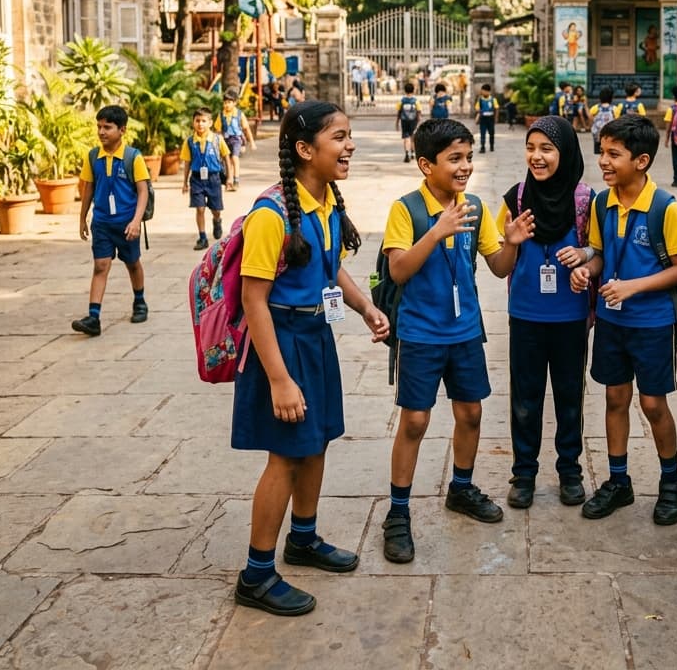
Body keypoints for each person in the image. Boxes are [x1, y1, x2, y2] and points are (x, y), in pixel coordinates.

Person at [232, 101, 390, 616]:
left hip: (316, 336)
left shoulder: (324, 204)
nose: (350, 146)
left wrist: (365, 307)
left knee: (316, 441)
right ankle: (256, 575)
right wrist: (279, 379)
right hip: (281, 343)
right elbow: (253, 300)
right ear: (304, 149)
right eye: (339, 137)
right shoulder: (270, 214)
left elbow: (328, 269)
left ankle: (303, 538)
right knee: (285, 455)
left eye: (348, 136)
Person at [379, 119, 534, 564]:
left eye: (468, 157)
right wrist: (436, 231)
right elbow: (398, 270)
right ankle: (398, 512)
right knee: (415, 421)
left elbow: (498, 267)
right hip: (420, 333)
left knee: (471, 413)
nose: (465, 166)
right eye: (454, 159)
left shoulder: (475, 208)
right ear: (426, 165)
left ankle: (461, 488)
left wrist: (513, 243)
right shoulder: (406, 209)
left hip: (464, 330)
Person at [570, 114, 677, 526]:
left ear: (641, 161)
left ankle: (671, 480)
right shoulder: (602, 203)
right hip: (612, 320)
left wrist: (632, 287)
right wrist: (586, 269)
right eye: (602, 152)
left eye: (613, 154)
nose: (603, 161)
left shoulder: (664, 208)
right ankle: (618, 480)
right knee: (615, 398)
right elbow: (599, 254)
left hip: (653, 322)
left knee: (653, 403)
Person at [499, 116, 594, 509]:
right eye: (531, 148)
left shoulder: (585, 201)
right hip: (525, 314)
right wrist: (510, 240)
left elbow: (599, 252)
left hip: (570, 316)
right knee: (525, 399)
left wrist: (585, 259)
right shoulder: (515, 199)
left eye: (547, 149)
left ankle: (570, 471)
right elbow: (501, 265)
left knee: (570, 396)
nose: (536, 156)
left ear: (566, 152)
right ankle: (523, 474)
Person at [71, 105, 150, 337]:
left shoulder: (132, 157)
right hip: (102, 223)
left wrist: (136, 221)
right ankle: (93, 317)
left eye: (107, 127)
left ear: (122, 130)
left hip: (126, 223)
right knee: (100, 266)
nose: (101, 132)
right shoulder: (93, 156)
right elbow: (88, 188)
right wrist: (82, 218)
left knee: (132, 263)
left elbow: (143, 191)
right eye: (99, 127)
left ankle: (140, 301)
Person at [181, 107, 232, 251]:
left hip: (213, 178)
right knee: (200, 208)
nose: (200, 124)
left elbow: (226, 157)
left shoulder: (217, 139)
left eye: (204, 121)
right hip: (197, 179)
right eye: (197, 121)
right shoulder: (190, 142)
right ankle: (202, 237)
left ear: (210, 123)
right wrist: (184, 182)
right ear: (193, 122)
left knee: (216, 209)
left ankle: (217, 220)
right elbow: (187, 162)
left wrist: (229, 177)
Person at [216, 88, 256, 190]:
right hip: (225, 140)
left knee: (234, 158)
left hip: (236, 140)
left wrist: (252, 142)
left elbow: (246, 129)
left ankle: (236, 180)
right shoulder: (221, 115)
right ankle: (229, 181)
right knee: (227, 161)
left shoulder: (239, 114)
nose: (227, 105)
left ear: (234, 103)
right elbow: (218, 130)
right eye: (225, 102)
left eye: (229, 102)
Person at [396, 82, 421, 163]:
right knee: (413, 137)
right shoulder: (416, 101)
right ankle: (413, 153)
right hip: (413, 121)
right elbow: (419, 111)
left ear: (405, 90)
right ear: (413, 90)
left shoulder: (401, 101)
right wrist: (418, 121)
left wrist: (397, 122)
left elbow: (399, 112)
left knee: (406, 138)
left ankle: (407, 153)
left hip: (404, 121)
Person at [588, 87, 615, 155]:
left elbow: (590, 117)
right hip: (610, 133)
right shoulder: (614, 108)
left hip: (597, 134)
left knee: (599, 151)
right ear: (611, 98)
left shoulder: (595, 108)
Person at [474, 83, 499, 154]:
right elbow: (477, 108)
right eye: (482, 91)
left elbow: (497, 108)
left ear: (489, 92)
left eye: (485, 91)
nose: (483, 92)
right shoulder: (480, 100)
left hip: (490, 118)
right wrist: (479, 111)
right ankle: (482, 147)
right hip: (483, 119)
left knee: (491, 133)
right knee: (482, 133)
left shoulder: (493, 99)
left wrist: (496, 118)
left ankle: (491, 145)